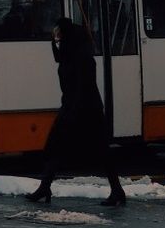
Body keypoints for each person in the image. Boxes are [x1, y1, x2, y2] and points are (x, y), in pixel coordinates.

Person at [26, 17, 126, 207]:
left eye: (59, 34)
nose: (57, 38)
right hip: (73, 107)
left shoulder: (82, 57)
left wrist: (72, 111)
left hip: (86, 110)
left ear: (67, 35)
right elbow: (59, 57)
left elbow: (83, 86)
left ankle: (117, 191)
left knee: (101, 151)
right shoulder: (69, 51)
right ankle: (44, 187)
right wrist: (53, 42)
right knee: (55, 147)